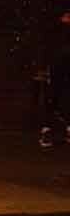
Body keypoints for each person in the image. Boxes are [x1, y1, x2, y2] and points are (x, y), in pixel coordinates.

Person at [40, 10, 70, 150]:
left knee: (59, 100)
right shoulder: (57, 34)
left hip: (61, 70)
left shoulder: (58, 34)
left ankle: (55, 130)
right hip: (57, 70)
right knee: (53, 100)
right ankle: (48, 130)